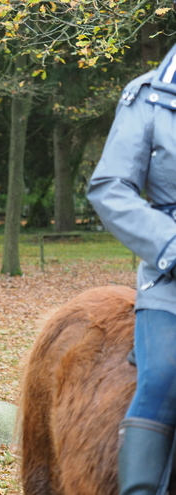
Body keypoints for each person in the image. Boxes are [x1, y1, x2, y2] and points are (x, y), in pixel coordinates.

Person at [87, 43, 176, 495]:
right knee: (163, 376)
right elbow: (110, 187)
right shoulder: (149, 97)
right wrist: (171, 245)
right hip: (171, 279)